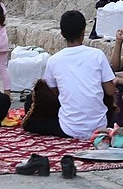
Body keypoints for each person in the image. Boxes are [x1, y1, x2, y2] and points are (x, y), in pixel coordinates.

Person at [22, 10, 115, 139]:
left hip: (69, 128)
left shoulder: (54, 60)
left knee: (30, 106)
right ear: (84, 32)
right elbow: (110, 91)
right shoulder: (97, 54)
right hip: (100, 125)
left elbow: (51, 93)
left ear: (62, 33)